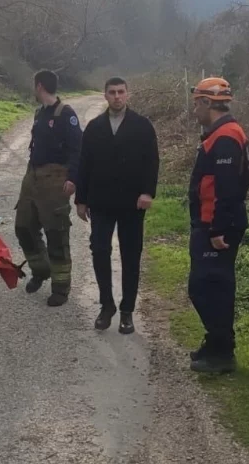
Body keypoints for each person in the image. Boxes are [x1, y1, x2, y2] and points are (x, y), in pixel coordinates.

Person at [76, 76, 159, 334]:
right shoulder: (94, 127)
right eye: (112, 92)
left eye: (121, 92)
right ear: (105, 95)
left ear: (128, 94)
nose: (117, 96)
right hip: (101, 201)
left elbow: (152, 162)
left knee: (130, 256)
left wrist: (148, 192)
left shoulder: (142, 126)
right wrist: (81, 199)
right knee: (99, 251)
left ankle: (127, 311)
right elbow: (84, 164)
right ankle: (107, 305)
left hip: (132, 202)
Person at [187, 76, 249, 374]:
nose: (194, 111)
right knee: (208, 286)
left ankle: (222, 352)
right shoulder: (220, 133)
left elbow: (228, 189)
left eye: (196, 104)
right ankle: (216, 343)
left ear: (206, 102)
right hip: (211, 224)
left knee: (208, 287)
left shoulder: (225, 137)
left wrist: (217, 230)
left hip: (218, 228)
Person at [15, 69, 83, 306]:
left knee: (56, 232)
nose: (34, 90)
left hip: (55, 178)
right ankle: (41, 269)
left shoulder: (66, 114)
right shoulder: (39, 113)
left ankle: (61, 288)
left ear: (39, 86)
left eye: (35, 86)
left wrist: (73, 179)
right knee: (23, 226)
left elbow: (78, 149)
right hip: (32, 175)